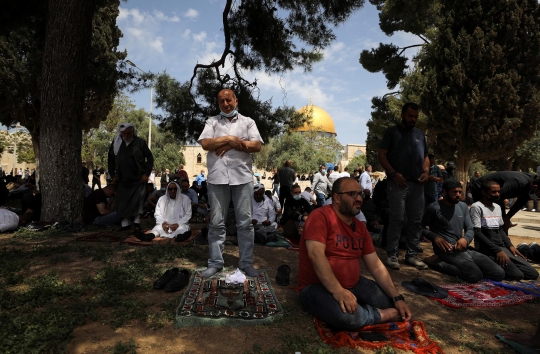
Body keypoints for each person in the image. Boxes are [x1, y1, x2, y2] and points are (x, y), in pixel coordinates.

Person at [298, 177, 412, 330]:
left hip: (354, 284)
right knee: (349, 317)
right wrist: (338, 291)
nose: (359, 198)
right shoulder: (320, 217)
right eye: (352, 194)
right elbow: (316, 255)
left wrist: (397, 297)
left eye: (360, 194)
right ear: (337, 198)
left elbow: (376, 266)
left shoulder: (359, 227)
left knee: (392, 304)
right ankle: (378, 315)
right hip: (316, 287)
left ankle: (366, 310)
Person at [197, 88, 263, 278]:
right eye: (221, 101)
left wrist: (229, 144)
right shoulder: (212, 121)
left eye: (228, 100)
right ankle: (216, 263)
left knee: (245, 223)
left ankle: (246, 263)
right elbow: (206, 144)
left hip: (242, 178)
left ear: (236, 101)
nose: (225, 104)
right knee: (217, 223)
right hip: (218, 178)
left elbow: (256, 145)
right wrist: (229, 138)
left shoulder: (248, 122)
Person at [378, 102, 429, 270]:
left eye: (415, 116)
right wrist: (393, 173)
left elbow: (426, 157)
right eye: (410, 116)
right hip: (398, 183)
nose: (413, 119)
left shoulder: (420, 135)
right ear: (402, 115)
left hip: (417, 185)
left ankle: (412, 255)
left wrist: (426, 172)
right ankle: (392, 255)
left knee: (416, 220)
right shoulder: (392, 132)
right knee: (397, 219)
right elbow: (382, 155)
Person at [421, 179, 504, 282]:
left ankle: (471, 268)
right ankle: (436, 261)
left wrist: (465, 239)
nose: (458, 195)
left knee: (499, 273)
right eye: (454, 192)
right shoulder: (434, 207)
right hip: (446, 251)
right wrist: (435, 238)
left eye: (460, 192)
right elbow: (421, 227)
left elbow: (470, 228)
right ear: (445, 192)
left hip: (464, 248)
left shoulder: (463, 206)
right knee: (474, 275)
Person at [470, 179, 539, 280]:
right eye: (493, 192)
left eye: (498, 191)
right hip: (487, 249)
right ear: (484, 192)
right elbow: (477, 233)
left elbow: (500, 230)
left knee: (532, 274)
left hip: (502, 247)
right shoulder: (476, 207)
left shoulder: (497, 207)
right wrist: (497, 250)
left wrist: (510, 246)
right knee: (517, 275)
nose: (497, 194)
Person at [107, 123, 154, 230]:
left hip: (138, 178)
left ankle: (137, 223)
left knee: (138, 200)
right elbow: (110, 160)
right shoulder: (116, 143)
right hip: (122, 179)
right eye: (124, 133)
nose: (126, 135)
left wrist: (146, 174)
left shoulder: (140, 142)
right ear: (121, 133)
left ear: (132, 132)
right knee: (123, 201)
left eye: (129, 133)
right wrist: (113, 175)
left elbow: (149, 157)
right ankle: (125, 224)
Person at [470, 171, 540, 233]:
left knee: (501, 226)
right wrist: (504, 217)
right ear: (535, 187)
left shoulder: (529, 186)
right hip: (481, 188)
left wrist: (508, 217)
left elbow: (520, 203)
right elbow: (498, 197)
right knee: (488, 224)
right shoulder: (519, 183)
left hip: (496, 196)